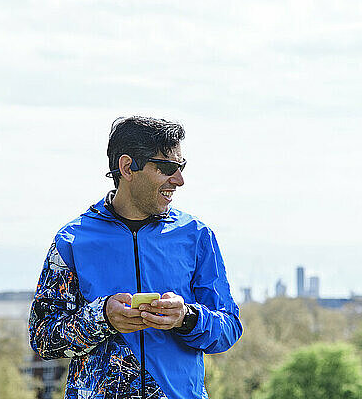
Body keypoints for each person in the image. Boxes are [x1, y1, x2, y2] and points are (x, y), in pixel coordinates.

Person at [28, 116, 243, 399]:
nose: (179, 180)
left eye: (181, 167)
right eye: (167, 168)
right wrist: (102, 317)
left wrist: (186, 317)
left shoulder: (196, 236)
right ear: (127, 167)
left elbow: (228, 328)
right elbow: (43, 338)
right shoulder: (72, 241)